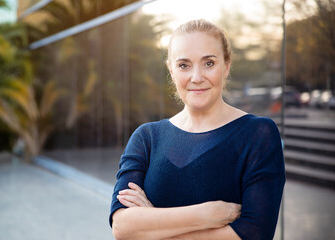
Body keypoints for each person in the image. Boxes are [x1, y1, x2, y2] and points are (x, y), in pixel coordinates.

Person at [110, 19, 286, 240]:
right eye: (184, 65)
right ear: (172, 71)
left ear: (226, 65)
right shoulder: (147, 138)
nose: (196, 77)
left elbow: (255, 234)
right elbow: (122, 228)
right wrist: (205, 215)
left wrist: (151, 221)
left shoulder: (258, 134)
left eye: (209, 63)